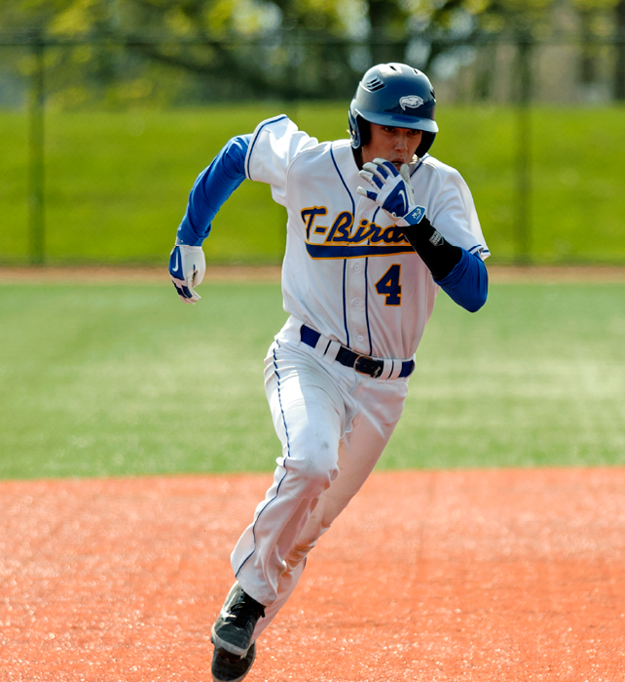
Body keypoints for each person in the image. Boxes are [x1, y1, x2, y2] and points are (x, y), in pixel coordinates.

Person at [167, 63, 490, 682]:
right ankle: (246, 597)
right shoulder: (311, 164)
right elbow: (242, 150)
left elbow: (473, 292)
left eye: (414, 131)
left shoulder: (440, 188)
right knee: (311, 462)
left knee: (309, 528)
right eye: (389, 128)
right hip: (307, 356)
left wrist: (415, 225)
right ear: (360, 124)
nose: (402, 143)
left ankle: (245, 622)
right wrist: (191, 235)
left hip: (385, 387)